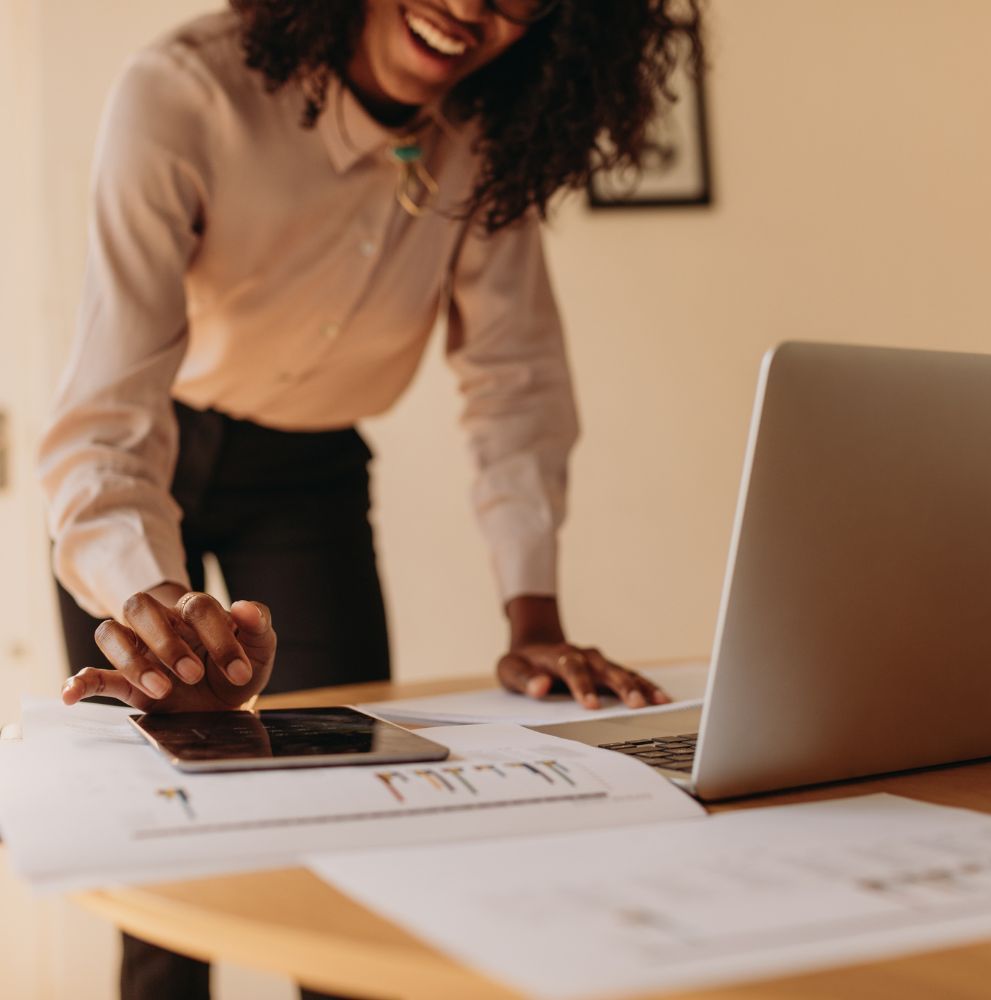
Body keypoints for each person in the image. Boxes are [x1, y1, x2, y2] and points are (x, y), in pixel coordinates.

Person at [39, 1, 702, 998]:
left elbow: (514, 378)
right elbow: (111, 416)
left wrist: (534, 614)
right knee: (164, 850)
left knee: (361, 817)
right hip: (149, 462)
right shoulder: (184, 91)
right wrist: (154, 600)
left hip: (310, 478)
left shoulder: (492, 139)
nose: (470, 6)